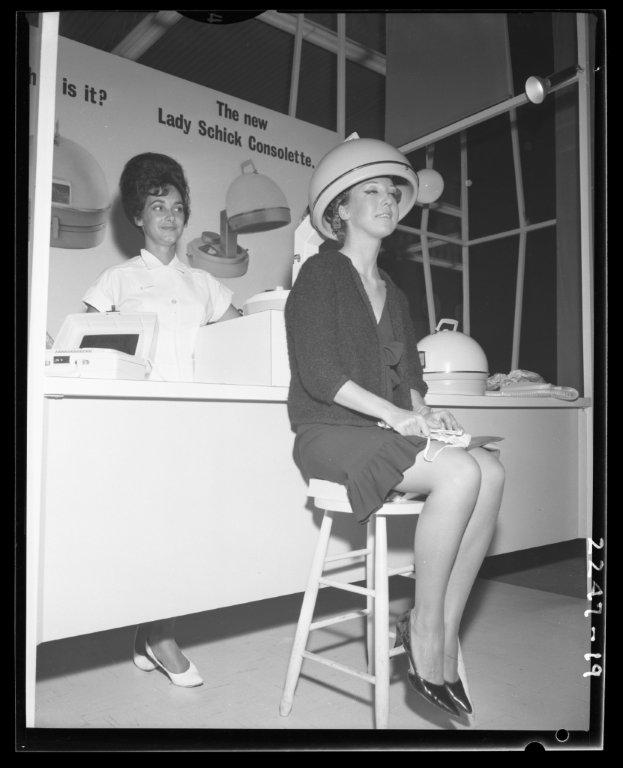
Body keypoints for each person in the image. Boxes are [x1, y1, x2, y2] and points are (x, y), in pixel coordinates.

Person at [285, 138, 505, 717]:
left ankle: (441, 628)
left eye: (390, 192)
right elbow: (321, 376)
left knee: (491, 469)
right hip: (329, 429)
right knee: (458, 473)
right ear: (339, 210)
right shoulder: (319, 274)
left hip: (385, 430)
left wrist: (428, 415)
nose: (385, 200)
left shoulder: (398, 295)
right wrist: (400, 417)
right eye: (370, 192)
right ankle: (425, 632)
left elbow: (409, 379)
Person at [83, 152, 240, 687]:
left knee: (188, 533)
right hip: (142, 424)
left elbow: (243, 339)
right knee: (155, 532)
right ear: (137, 216)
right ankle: (161, 636)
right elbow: (86, 351)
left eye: (177, 207)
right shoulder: (116, 281)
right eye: (157, 206)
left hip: (196, 423)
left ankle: (149, 631)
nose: (171, 217)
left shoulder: (206, 286)